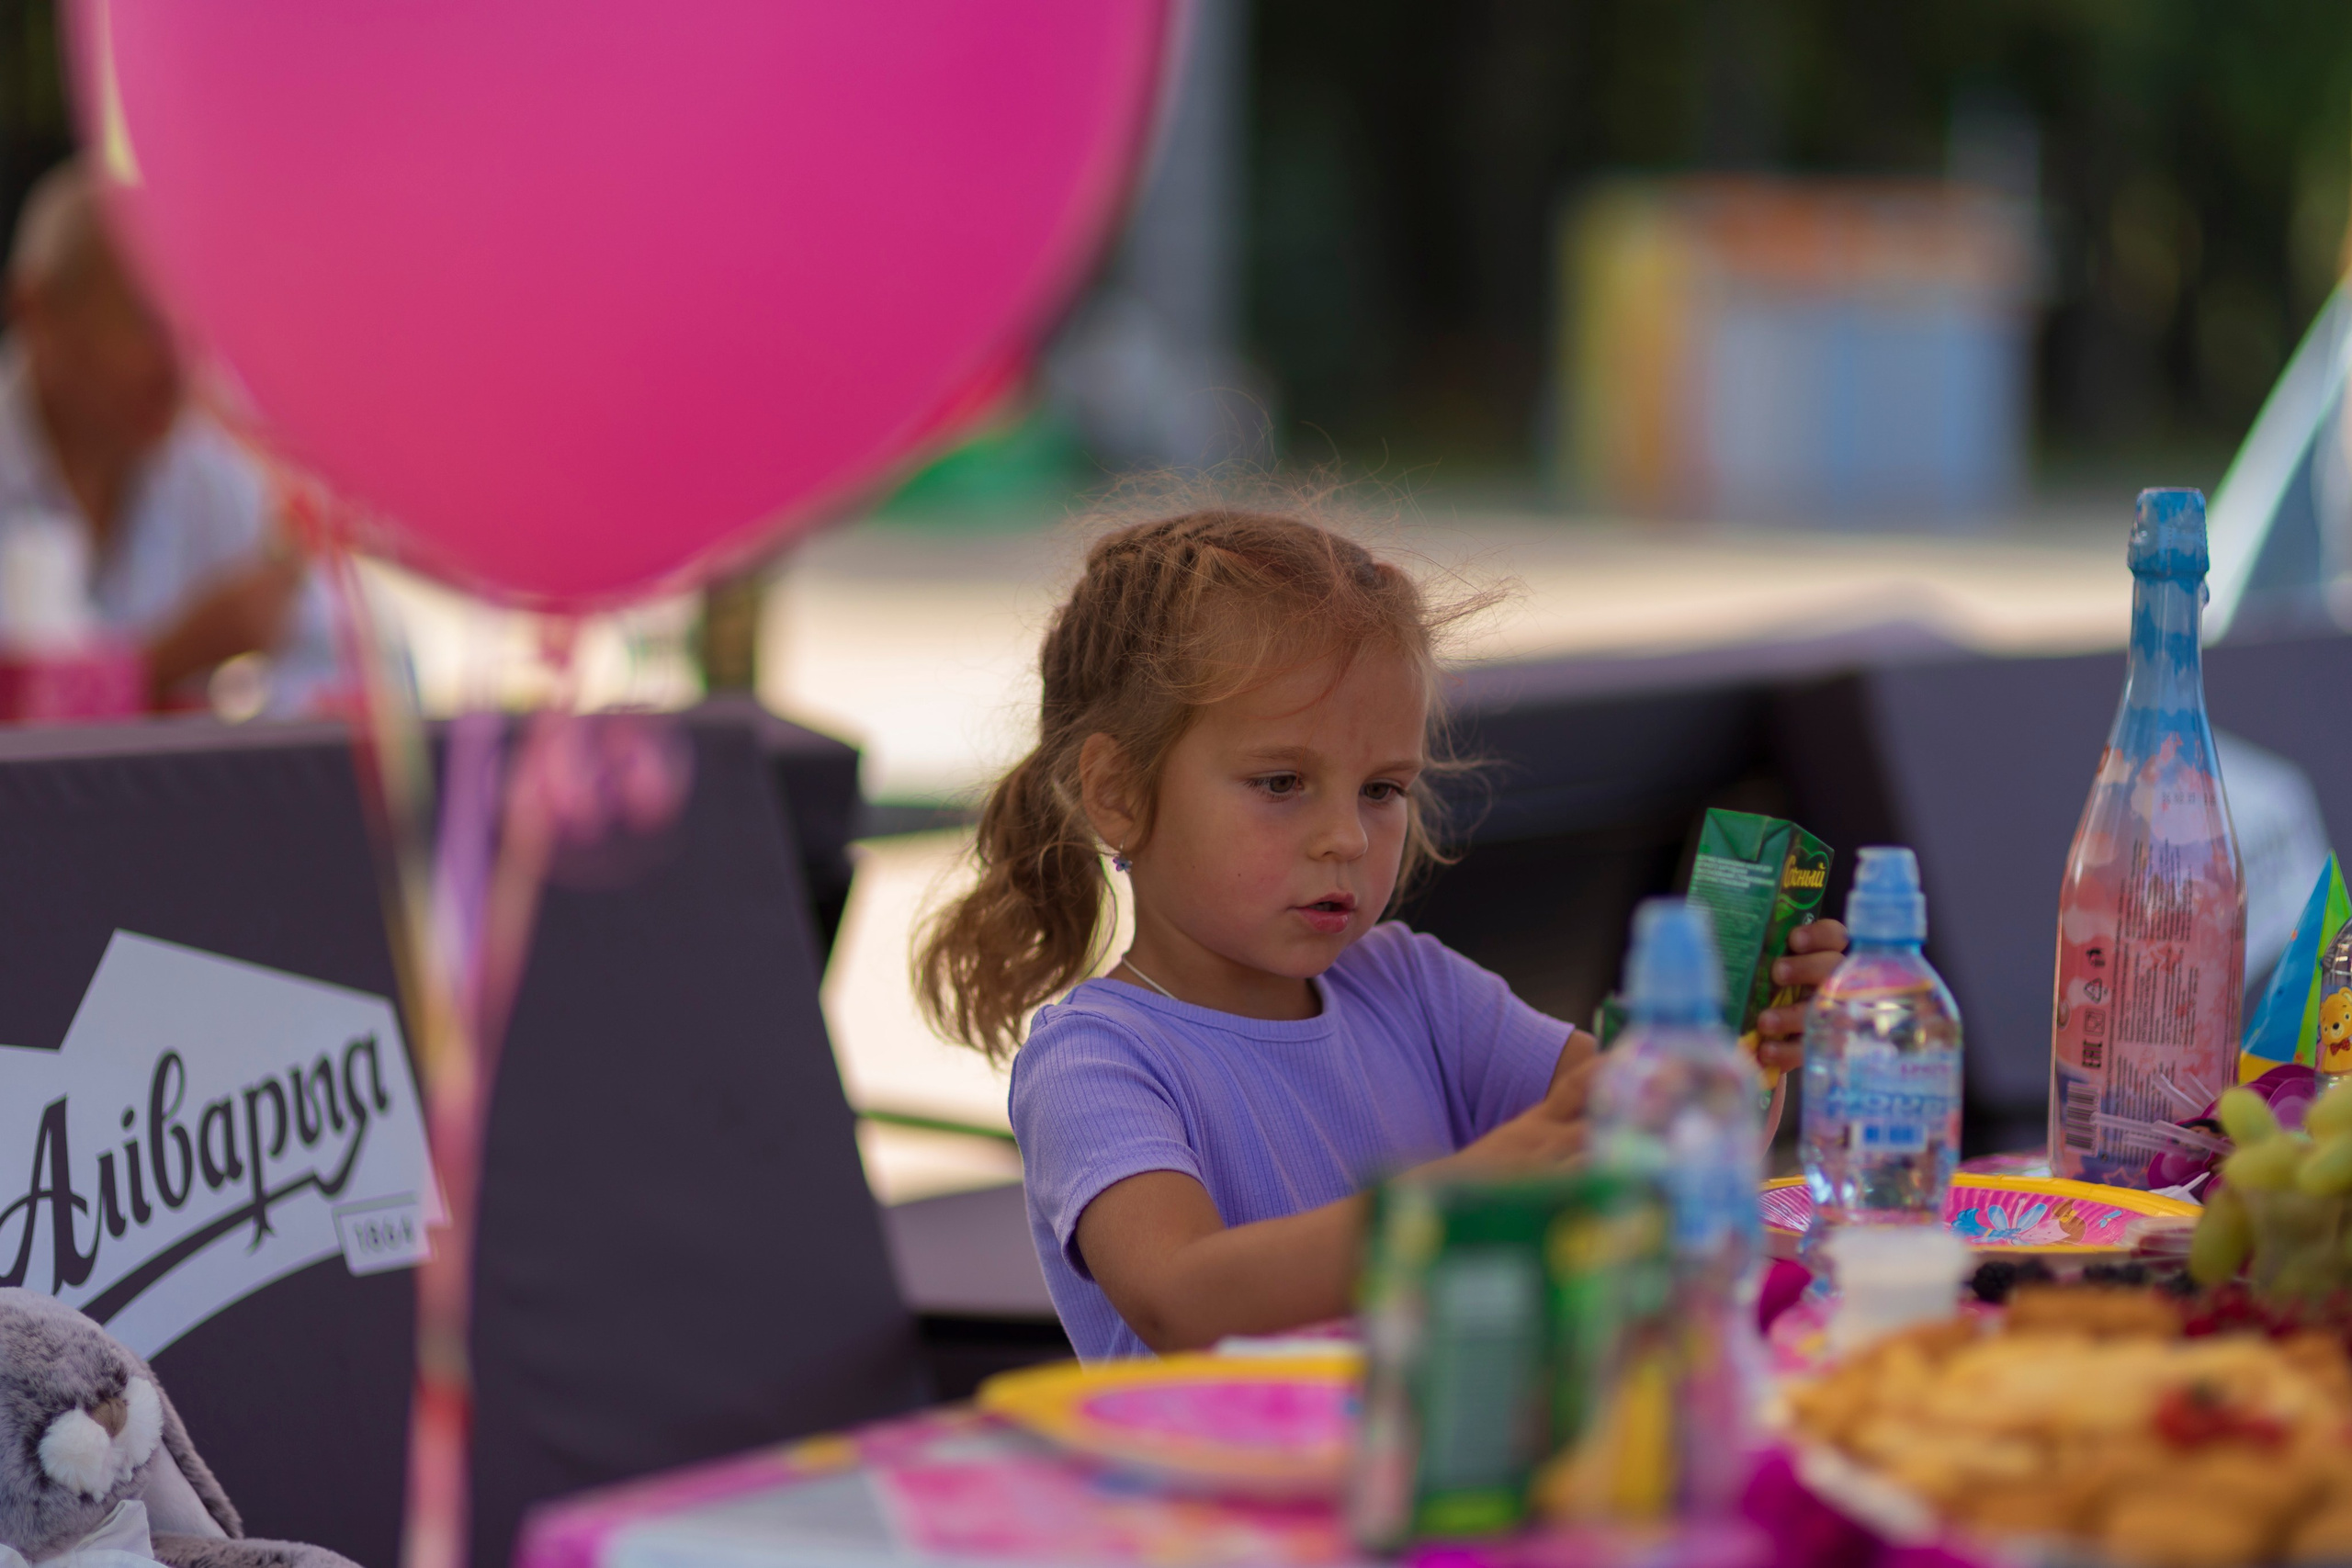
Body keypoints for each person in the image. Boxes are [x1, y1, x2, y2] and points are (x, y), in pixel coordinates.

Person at [918, 508, 1849, 1360]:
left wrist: (1732, 1050)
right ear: (1119, 795)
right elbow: (1181, 1298)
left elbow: (1636, 1143)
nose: (1345, 837)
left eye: (1382, 790)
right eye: (1281, 783)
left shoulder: (1411, 986)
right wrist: (1456, 1205)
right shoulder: (1098, 1060)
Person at [0, 160, 337, 712]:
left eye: (194, 321)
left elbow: (343, 679)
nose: (178, 361)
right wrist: (167, 664)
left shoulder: (209, 467)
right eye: (145, 319)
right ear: (37, 312)